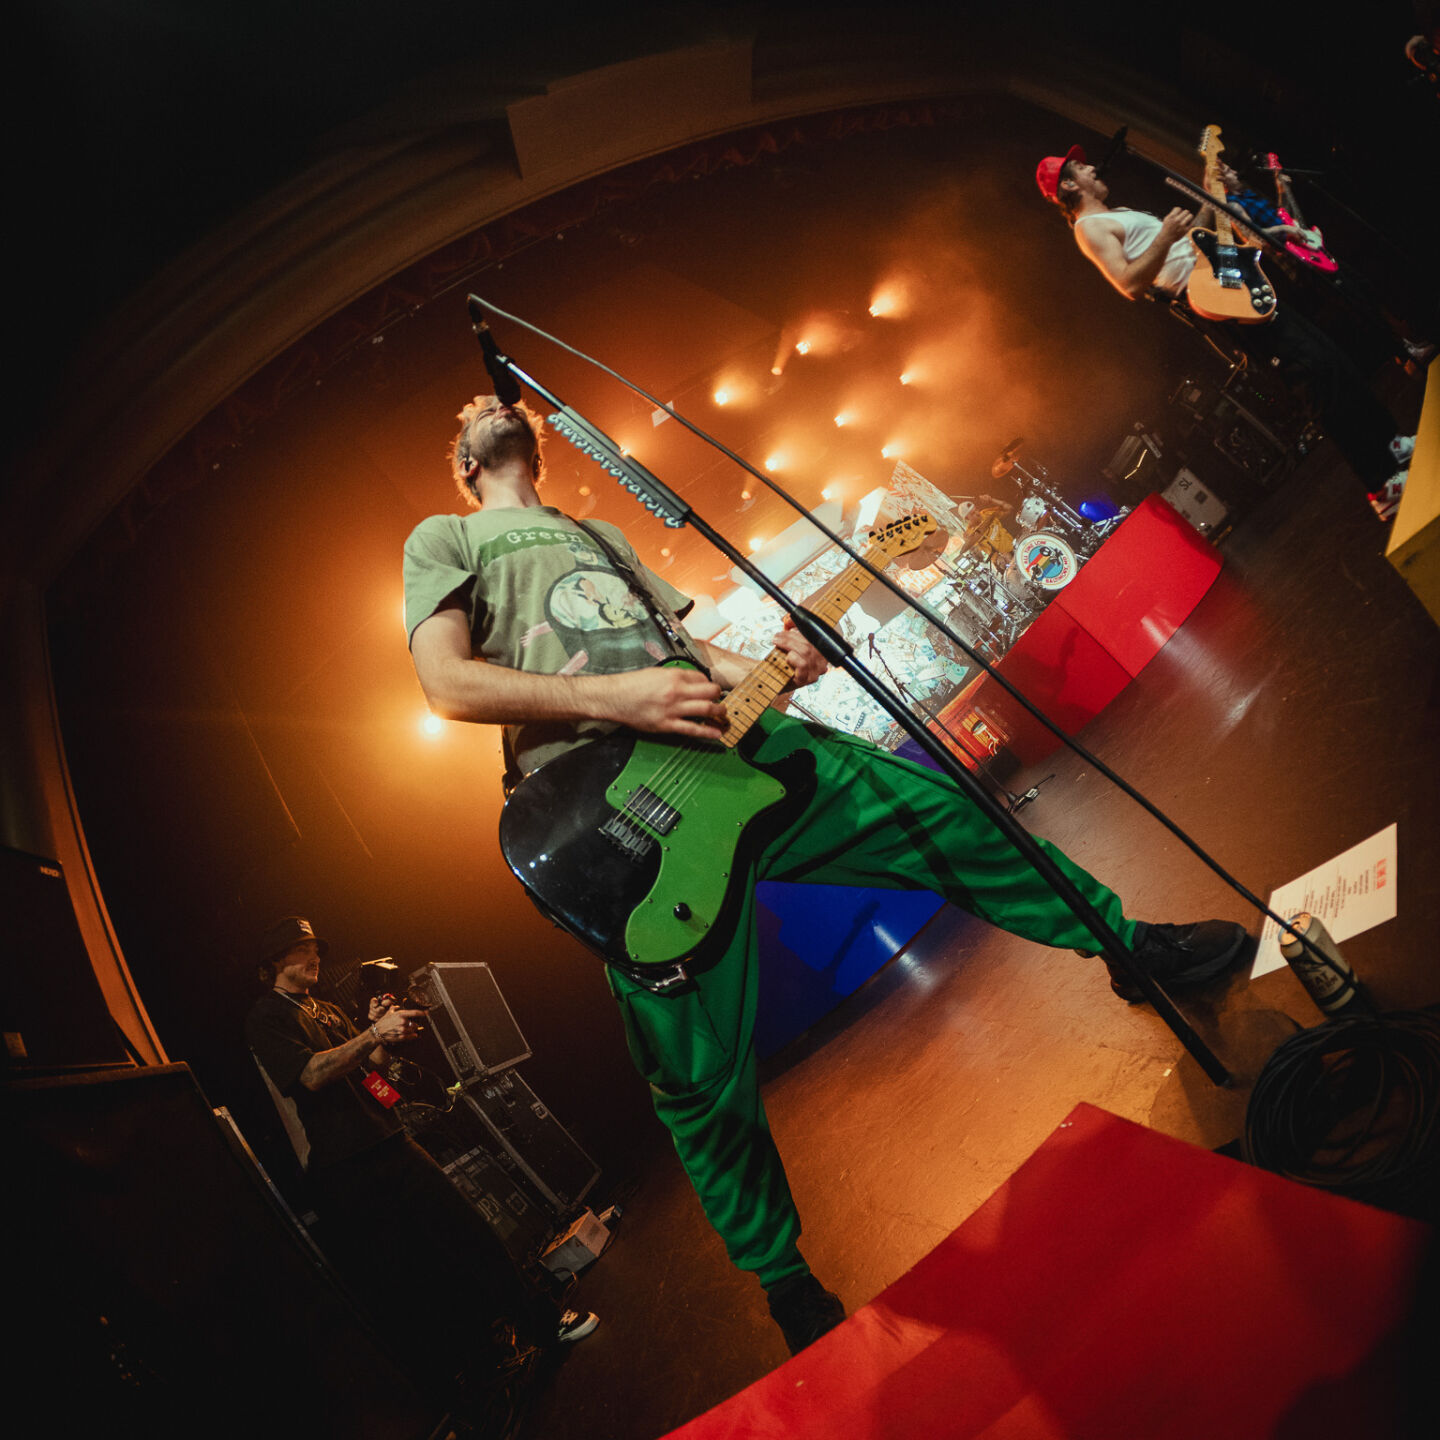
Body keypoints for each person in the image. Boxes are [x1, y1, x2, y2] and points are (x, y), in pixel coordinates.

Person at [402, 396, 1247, 1354]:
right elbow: (446, 683)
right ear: (464, 461)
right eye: (468, 413)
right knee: (696, 1070)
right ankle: (786, 1282)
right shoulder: (444, 539)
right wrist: (618, 697)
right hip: (618, 825)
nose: (486, 405)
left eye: (496, 400)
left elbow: (692, 655)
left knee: (945, 817)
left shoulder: (599, 536)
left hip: (738, 749)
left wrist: (783, 660)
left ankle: (1126, 946)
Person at [244, 915, 597, 1384]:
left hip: (388, 1137)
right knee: (410, 1272)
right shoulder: (266, 1015)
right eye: (303, 949)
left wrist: (386, 1033)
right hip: (344, 1168)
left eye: (316, 949)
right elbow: (309, 1075)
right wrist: (373, 1033)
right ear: (275, 960)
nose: (315, 957)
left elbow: (372, 1068)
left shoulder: (325, 1009)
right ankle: (474, 1369)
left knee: (469, 1232)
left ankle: (545, 1324)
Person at [1036, 145, 1413, 519]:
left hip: (1225, 280)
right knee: (1313, 373)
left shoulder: (1118, 214)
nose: (1092, 168)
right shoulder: (1089, 228)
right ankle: (1380, 485)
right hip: (1215, 302)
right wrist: (1165, 234)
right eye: (1081, 167)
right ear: (1068, 184)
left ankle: (1390, 443)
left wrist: (1208, 193)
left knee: (1327, 356)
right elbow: (1128, 284)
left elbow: (1190, 240)